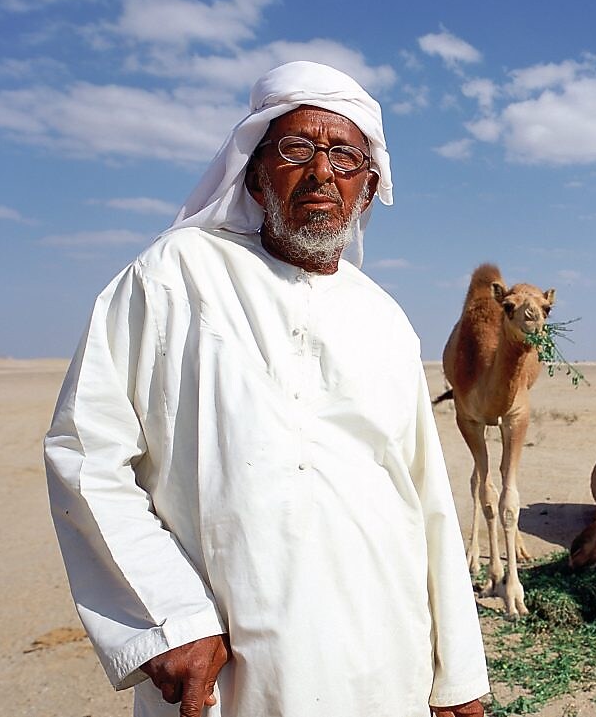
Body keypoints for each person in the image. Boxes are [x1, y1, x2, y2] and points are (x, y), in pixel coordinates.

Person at [43, 61, 489, 717]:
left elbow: (427, 501)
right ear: (255, 170)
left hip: (385, 661)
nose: (321, 173)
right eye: (297, 149)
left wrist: (457, 674)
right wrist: (170, 615)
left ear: (368, 188)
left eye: (344, 156)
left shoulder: (386, 319)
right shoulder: (174, 276)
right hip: (234, 672)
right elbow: (86, 451)